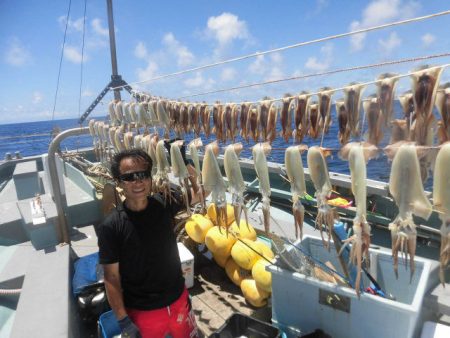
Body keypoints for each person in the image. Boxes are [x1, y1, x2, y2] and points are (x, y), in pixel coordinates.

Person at [97, 145, 202, 338]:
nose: (138, 182)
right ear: (119, 181)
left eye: (143, 174)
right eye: (129, 177)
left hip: (178, 299)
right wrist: (123, 320)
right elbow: (111, 277)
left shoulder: (164, 202)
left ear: (150, 177)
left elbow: (200, 193)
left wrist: (183, 160)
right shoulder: (111, 226)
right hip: (143, 311)